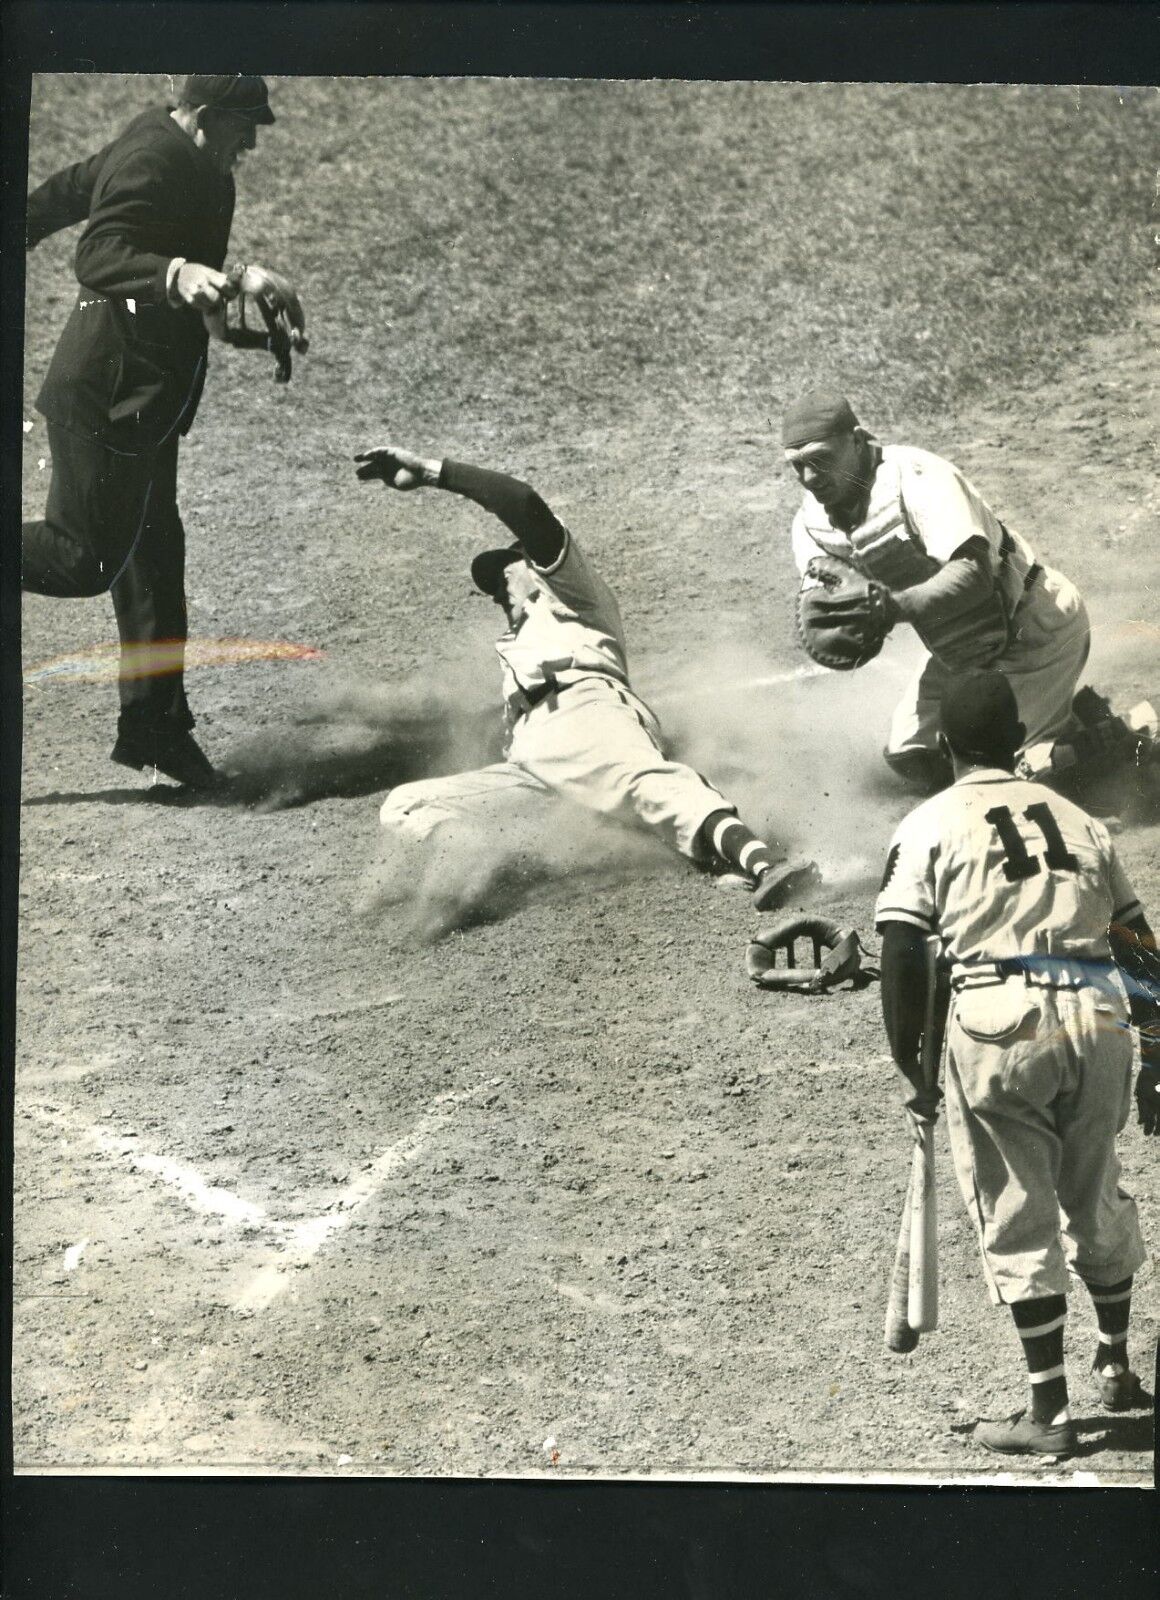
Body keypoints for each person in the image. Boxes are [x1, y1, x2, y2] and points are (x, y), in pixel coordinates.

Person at [875, 670, 1157, 1459]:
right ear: (1018, 738)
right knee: (1097, 1188)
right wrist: (1157, 1054)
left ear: (945, 744)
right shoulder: (1079, 819)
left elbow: (902, 950)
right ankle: (1116, 1366)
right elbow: (1136, 939)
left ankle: (1050, 1415)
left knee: (1017, 1207)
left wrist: (913, 1068)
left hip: (1000, 1021)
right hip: (1098, 1014)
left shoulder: (931, 821)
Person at [354, 444, 820, 913]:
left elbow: (520, 502)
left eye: (505, 573)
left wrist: (435, 473)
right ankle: (495, 862)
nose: (499, 589)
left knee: (646, 783)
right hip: (530, 764)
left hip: (587, 717)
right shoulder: (518, 644)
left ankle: (762, 863)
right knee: (407, 805)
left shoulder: (574, 595)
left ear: (536, 566)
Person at [22, 74, 278, 788]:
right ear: (200, 114)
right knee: (84, 560)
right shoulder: (156, 154)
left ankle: (157, 729)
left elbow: (71, 191)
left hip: (144, 403)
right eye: (242, 122)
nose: (253, 138)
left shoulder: (187, 157)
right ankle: (155, 725)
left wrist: (244, 300)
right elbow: (99, 252)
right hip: (103, 397)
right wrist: (173, 272)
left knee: (155, 556)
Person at [782, 389, 1090, 795]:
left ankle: (1101, 742)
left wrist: (891, 607)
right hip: (960, 648)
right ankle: (1058, 731)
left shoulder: (918, 479)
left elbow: (973, 575)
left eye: (821, 459)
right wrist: (841, 627)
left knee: (1005, 778)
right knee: (910, 755)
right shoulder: (810, 525)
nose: (809, 478)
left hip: (1033, 630)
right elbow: (825, 604)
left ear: (857, 440)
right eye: (798, 466)